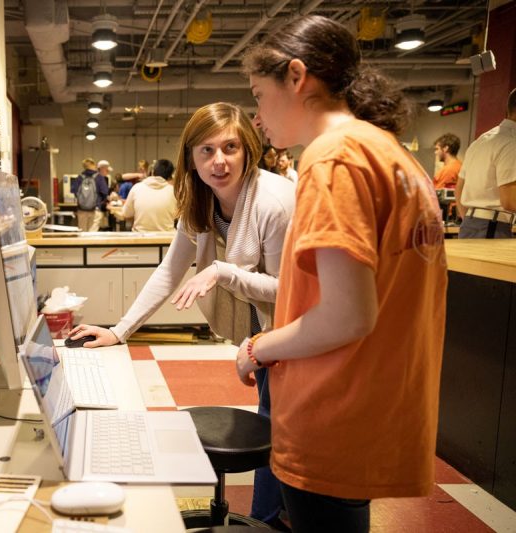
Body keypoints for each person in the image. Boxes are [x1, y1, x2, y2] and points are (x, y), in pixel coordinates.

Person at [241, 15, 447, 532]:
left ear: (296, 76)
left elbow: (346, 315)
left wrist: (257, 348)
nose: (258, 118)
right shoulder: (390, 152)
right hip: (378, 402)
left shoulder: (333, 158)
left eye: (259, 96)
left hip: (332, 410)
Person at [69, 102, 295, 529]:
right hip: (262, 336)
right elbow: (169, 271)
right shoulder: (201, 200)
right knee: (274, 421)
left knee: (277, 428)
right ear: (191, 157)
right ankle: (272, 517)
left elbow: (292, 292)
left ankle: (266, 522)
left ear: (247, 148)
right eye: (206, 150)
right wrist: (119, 331)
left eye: (230, 147)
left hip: (294, 334)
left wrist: (223, 272)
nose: (219, 161)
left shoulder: (274, 202)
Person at [456, 88, 516, 238]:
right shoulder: (512, 143)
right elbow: (510, 201)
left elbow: (459, 188)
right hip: (492, 226)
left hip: (471, 223)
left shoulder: (482, 139)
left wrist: (471, 219)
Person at [120, 159, 177, 232]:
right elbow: (177, 215)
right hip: (166, 240)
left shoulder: (137, 188)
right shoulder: (173, 191)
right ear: (170, 176)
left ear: (152, 172)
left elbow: (125, 213)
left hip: (140, 239)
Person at [72, 158, 99, 232]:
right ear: (93, 165)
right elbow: (104, 191)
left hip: (81, 209)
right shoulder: (98, 177)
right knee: (92, 233)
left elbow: (73, 190)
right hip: (93, 209)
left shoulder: (80, 177)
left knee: (82, 231)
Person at [93, 160, 113, 230]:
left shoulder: (93, 177)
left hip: (91, 208)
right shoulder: (100, 178)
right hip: (96, 209)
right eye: (107, 170)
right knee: (93, 231)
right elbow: (105, 194)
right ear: (102, 168)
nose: (108, 172)